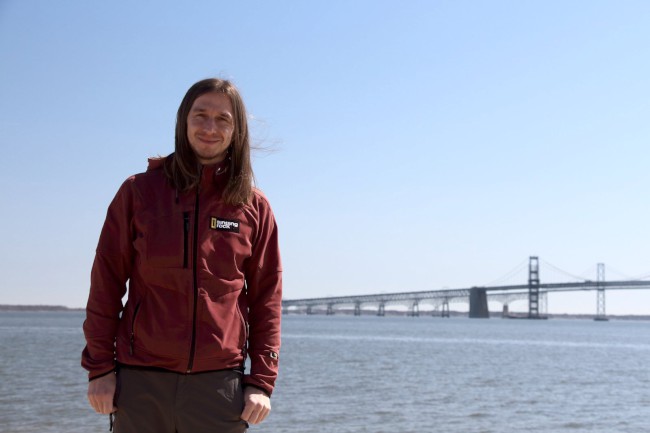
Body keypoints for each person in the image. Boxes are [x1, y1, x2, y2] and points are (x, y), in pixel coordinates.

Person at [81, 78, 282, 432]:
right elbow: (106, 284)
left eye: (223, 119)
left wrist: (261, 381)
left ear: (237, 131)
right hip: (141, 382)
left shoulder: (253, 206)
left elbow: (267, 298)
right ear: (183, 122)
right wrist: (100, 369)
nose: (209, 127)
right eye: (200, 115)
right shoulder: (138, 192)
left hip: (219, 389)